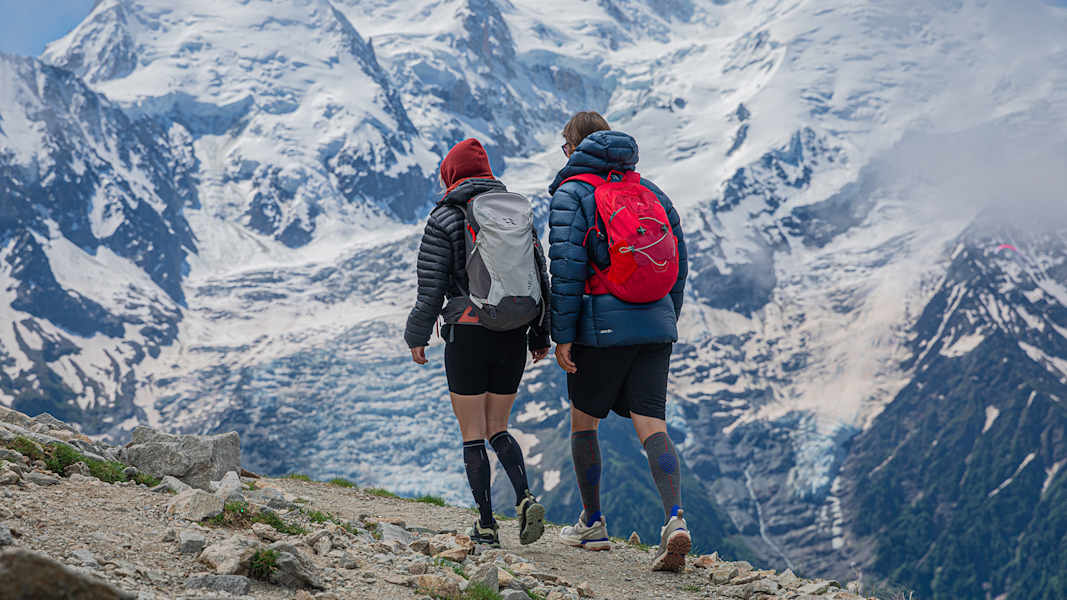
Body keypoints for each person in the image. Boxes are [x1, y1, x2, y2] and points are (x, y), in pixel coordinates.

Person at [546, 112, 691, 571]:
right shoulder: (652, 192)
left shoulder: (572, 194)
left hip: (600, 328)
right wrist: (666, 319)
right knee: (652, 423)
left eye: (565, 147)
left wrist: (562, 335)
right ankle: (675, 517)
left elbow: (566, 273)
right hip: (655, 324)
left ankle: (592, 522)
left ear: (574, 147)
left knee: (584, 421)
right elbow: (679, 265)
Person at [405, 138, 551, 548]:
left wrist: (418, 335)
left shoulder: (446, 218)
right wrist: (541, 332)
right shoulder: (517, 215)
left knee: (472, 433)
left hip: (467, 333)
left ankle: (486, 524)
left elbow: (430, 287)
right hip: (512, 333)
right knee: (498, 428)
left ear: (450, 174)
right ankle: (524, 496)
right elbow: (540, 274)